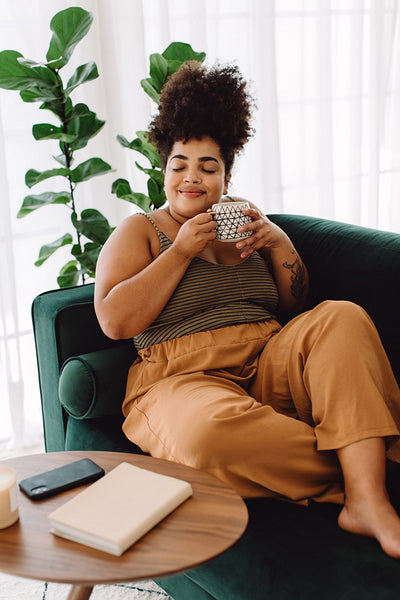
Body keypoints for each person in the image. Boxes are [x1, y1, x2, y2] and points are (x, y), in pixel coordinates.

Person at [94, 61, 400, 559]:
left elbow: (292, 304)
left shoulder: (245, 221)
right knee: (207, 437)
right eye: (180, 165)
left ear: (226, 175)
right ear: (163, 170)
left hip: (268, 357)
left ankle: (367, 500)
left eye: (207, 167)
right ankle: (363, 455)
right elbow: (114, 321)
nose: (191, 178)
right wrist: (181, 251)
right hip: (181, 381)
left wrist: (279, 244)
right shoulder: (141, 232)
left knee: (341, 316)